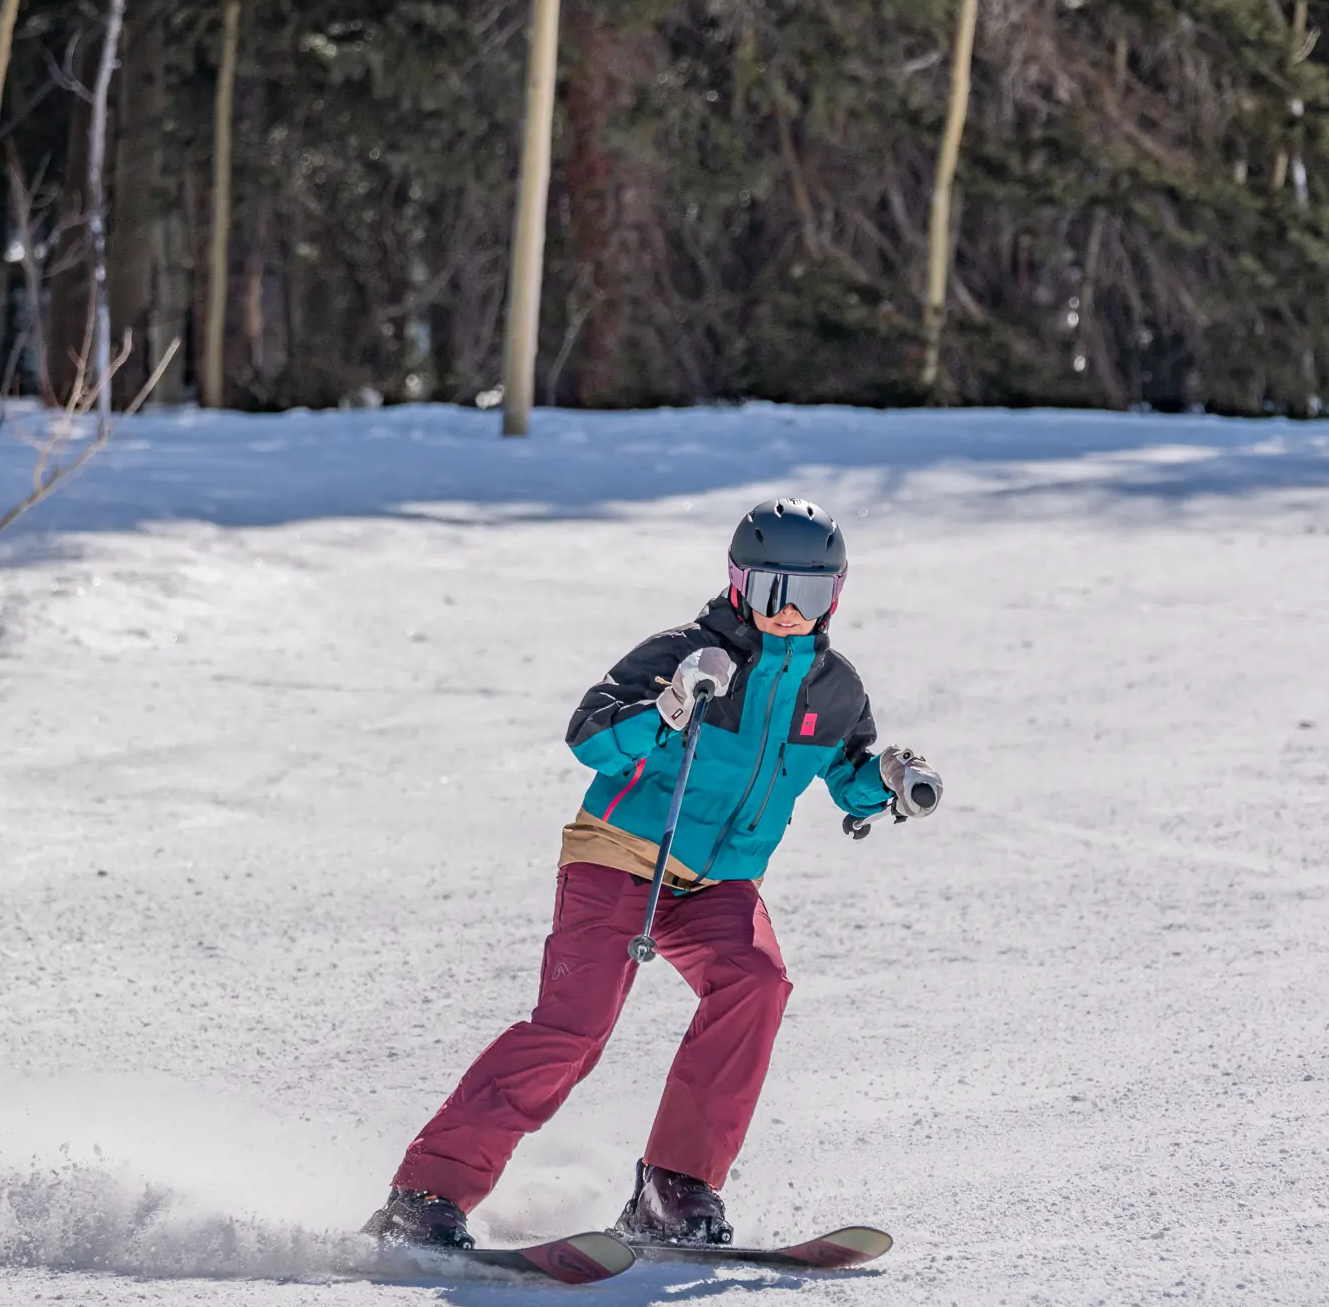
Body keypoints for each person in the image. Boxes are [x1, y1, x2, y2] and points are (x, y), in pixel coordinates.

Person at [368, 498, 943, 1250]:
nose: (789, 614)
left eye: (810, 595)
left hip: (720, 884)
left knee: (756, 984)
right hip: (619, 857)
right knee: (573, 1029)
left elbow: (844, 776)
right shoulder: (686, 652)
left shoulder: (832, 688)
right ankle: (425, 1196)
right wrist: (669, 705)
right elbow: (589, 737)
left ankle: (674, 1189)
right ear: (738, 584)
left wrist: (890, 781)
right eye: (774, 592)